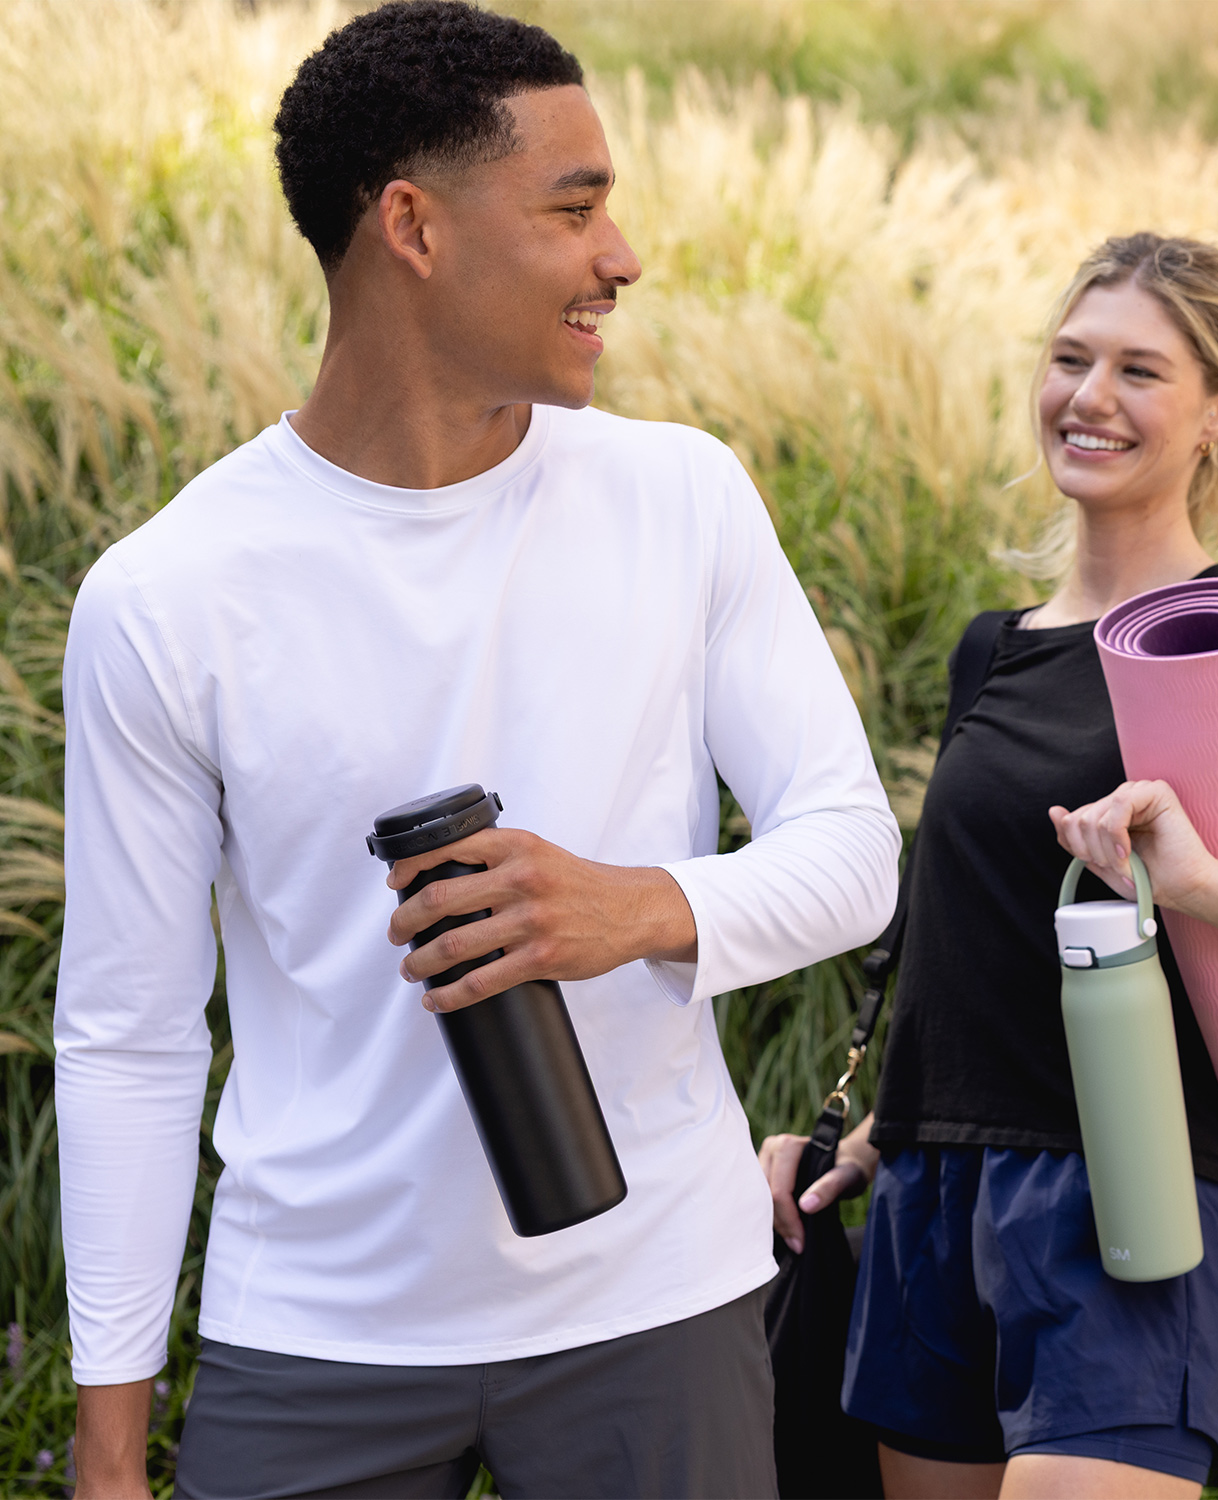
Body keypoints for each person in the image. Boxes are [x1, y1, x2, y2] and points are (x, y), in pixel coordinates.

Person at [55, 5, 900, 1497]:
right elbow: (130, 1035)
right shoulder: (170, 593)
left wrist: (636, 907)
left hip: (658, 1308)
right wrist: (111, 1457)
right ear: (413, 228)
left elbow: (851, 853)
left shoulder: (681, 499)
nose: (621, 257)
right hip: (314, 1338)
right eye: (574, 210)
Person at [760, 233, 1218, 1500]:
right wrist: (873, 1134)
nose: (1089, 398)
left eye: (1141, 370)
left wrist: (1207, 888)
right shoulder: (992, 651)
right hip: (931, 1200)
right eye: (1070, 359)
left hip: (1127, 1201)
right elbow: (978, 958)